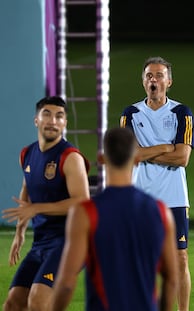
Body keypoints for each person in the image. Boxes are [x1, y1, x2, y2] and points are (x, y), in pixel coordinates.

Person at [50, 127, 178, 311]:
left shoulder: (85, 213)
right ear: (136, 159)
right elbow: (172, 278)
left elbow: (67, 282)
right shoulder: (160, 212)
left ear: (101, 159)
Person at [2, 96, 90, 311]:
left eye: (59, 116)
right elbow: (27, 191)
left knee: (38, 302)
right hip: (42, 243)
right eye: (47, 115)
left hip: (71, 242)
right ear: (36, 120)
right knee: (13, 303)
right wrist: (19, 233)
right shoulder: (27, 154)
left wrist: (37, 209)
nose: (53, 121)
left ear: (65, 123)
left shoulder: (70, 157)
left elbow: (82, 202)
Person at [119, 56, 194, 311]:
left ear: (169, 81)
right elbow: (130, 156)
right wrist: (164, 147)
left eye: (159, 75)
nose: (154, 80)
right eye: (149, 76)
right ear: (143, 82)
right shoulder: (130, 114)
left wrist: (145, 152)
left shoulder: (181, 112)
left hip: (174, 196)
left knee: (180, 258)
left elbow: (183, 157)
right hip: (142, 198)